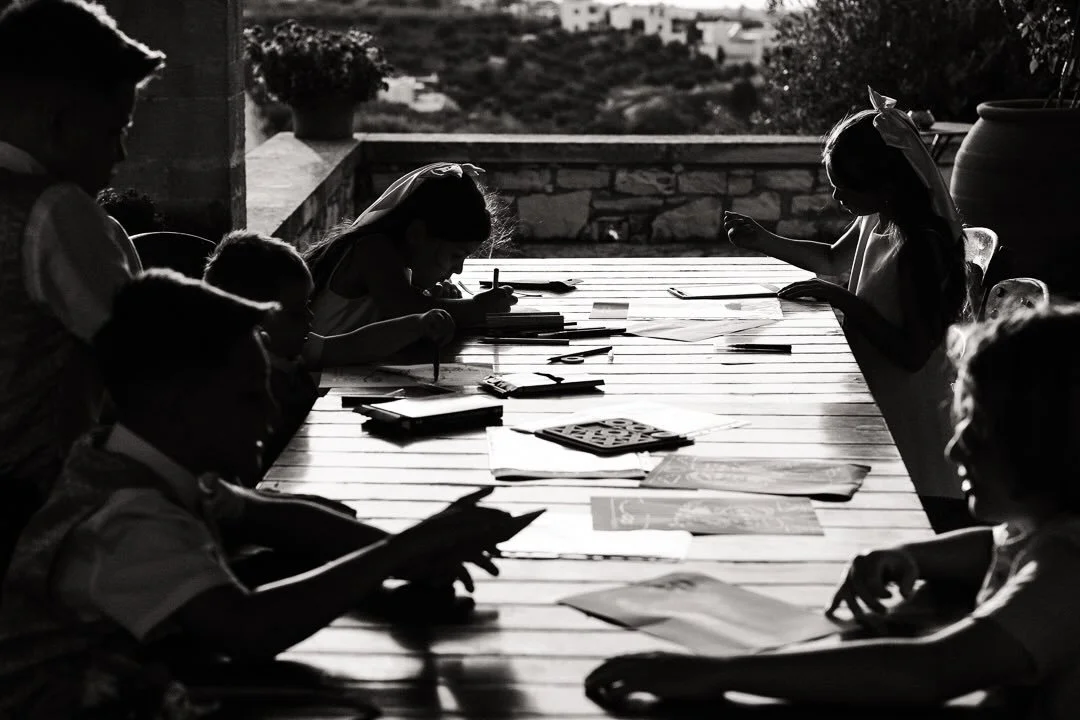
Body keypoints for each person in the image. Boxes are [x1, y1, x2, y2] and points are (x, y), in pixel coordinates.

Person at [0, 269, 522, 718]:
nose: (270, 412)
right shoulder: (128, 517)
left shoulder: (136, 460)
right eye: (249, 396)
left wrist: (410, 552)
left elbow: (281, 518)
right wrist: (400, 550)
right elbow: (248, 628)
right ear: (176, 405)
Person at [585, 303, 1080, 718]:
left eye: (978, 433)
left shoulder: (1067, 570)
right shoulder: (1050, 525)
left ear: (1046, 446)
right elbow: (995, 546)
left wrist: (719, 672)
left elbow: (926, 672)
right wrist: (913, 555)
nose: (953, 451)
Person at [722, 87, 974, 532]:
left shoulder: (920, 247)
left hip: (913, 417)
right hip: (880, 394)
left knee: (900, 522)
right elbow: (832, 259)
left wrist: (842, 300)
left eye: (845, 187)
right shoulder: (877, 218)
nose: (837, 197)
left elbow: (913, 353)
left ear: (886, 185)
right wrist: (763, 240)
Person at [0, 0, 165, 575]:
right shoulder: (56, 213)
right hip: (39, 526)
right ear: (58, 121)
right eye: (115, 130)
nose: (121, 155)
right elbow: (150, 370)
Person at [203, 230, 456, 476]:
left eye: (307, 305)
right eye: (296, 312)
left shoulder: (291, 348)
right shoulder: (234, 384)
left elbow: (354, 345)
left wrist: (417, 324)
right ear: (253, 323)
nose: (310, 316)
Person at [303, 162, 518, 333]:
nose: (458, 269)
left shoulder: (398, 260)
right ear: (417, 234)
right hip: (319, 375)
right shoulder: (373, 251)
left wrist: (435, 298)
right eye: (455, 255)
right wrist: (476, 308)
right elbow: (406, 310)